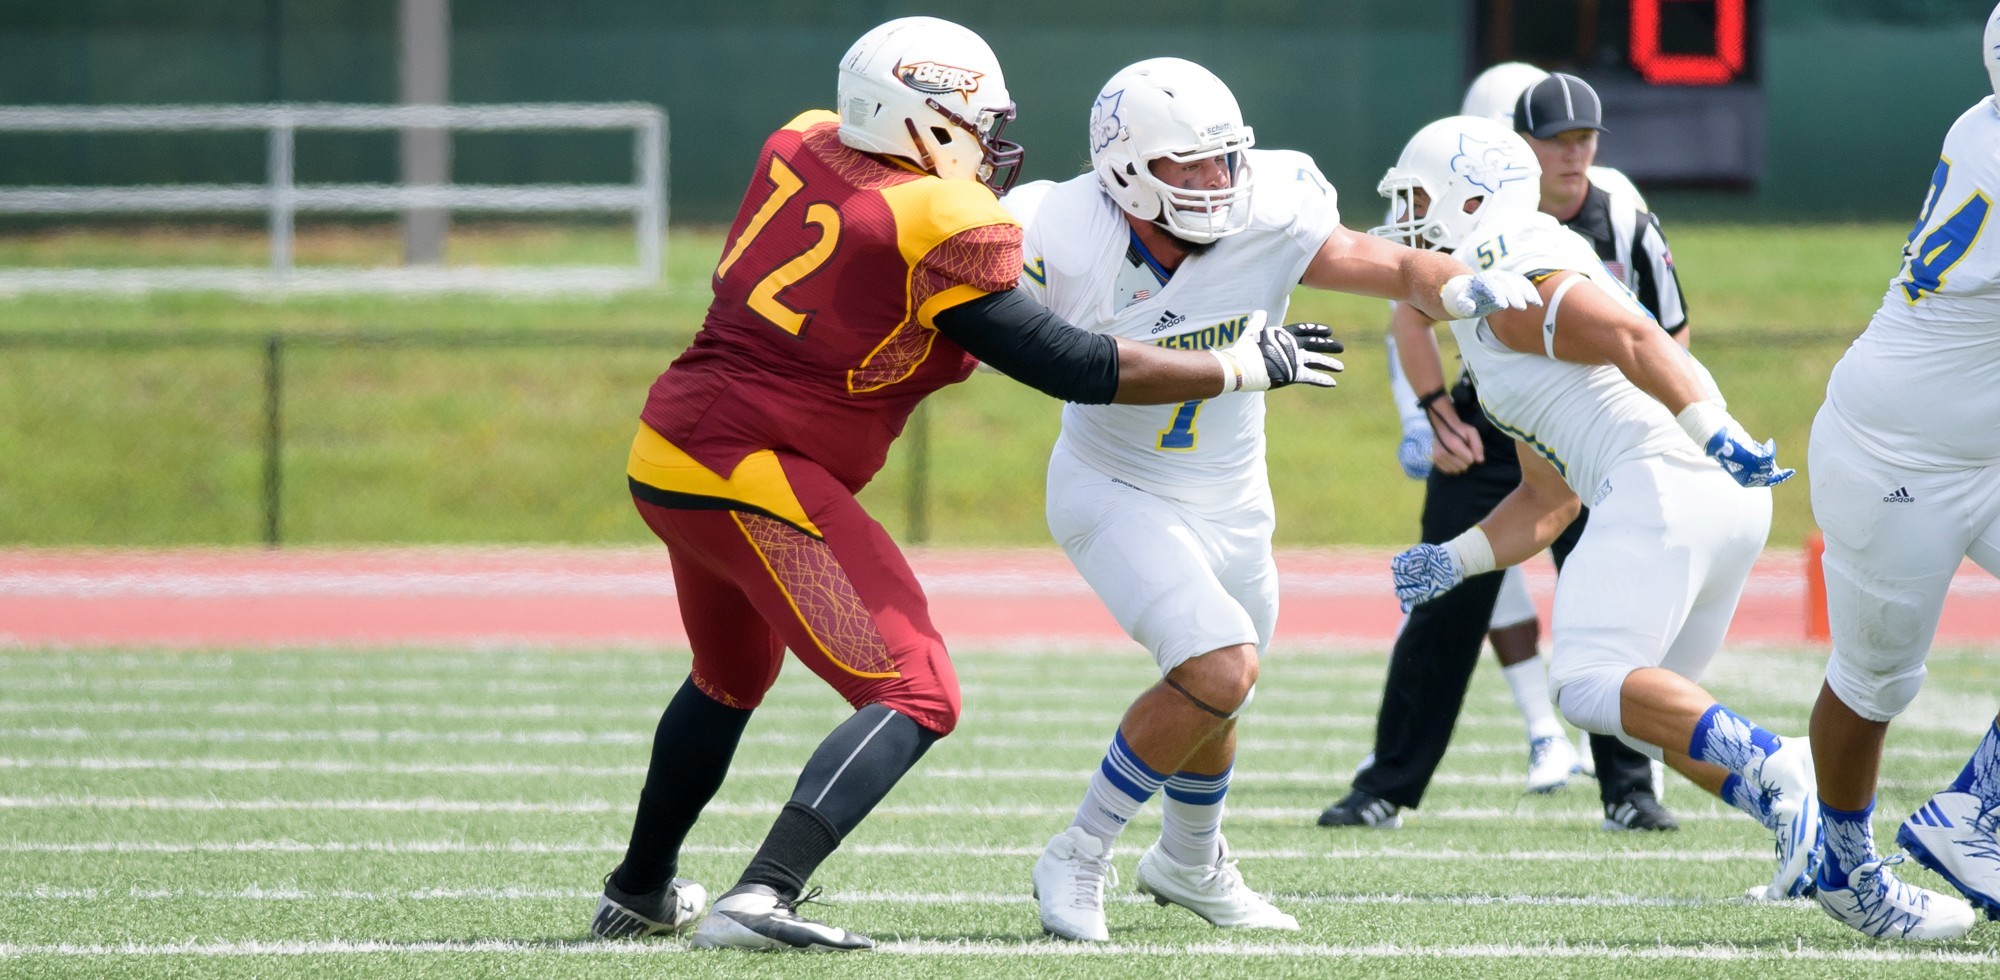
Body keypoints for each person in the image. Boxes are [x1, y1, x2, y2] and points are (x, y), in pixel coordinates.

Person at [587, 17, 1347, 953]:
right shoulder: (943, 219)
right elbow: (1070, 364)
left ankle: (640, 889)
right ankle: (764, 892)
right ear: (920, 122)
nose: (991, 145)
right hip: (753, 467)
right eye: (976, 123)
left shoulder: (803, 136)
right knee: (918, 689)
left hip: (670, 447)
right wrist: (1234, 365)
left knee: (731, 675)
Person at [1007, 58, 1545, 943]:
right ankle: (1080, 851)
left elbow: (1385, 263)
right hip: (1116, 485)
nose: (1218, 182)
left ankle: (1190, 861)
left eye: (1226, 159)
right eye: (1191, 164)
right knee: (1218, 663)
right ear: (1128, 168)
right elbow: (1079, 370)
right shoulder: (1063, 233)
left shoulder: (1271, 203)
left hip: (1233, 494)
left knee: (1220, 686)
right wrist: (1241, 364)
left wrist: (1455, 286)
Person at [1365, 113, 1824, 903]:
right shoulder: (1488, 304)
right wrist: (1456, 559)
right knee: (1658, 717)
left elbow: (1632, 336)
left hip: (1667, 481)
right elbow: (1548, 499)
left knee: (1584, 685)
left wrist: (1717, 432)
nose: (1403, 222)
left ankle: (1794, 767)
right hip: (1694, 496)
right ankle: (1813, 836)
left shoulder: (1507, 271)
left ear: (1470, 203)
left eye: (1416, 201)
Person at [1328, 70, 1690, 829]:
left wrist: (1674, 422)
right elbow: (1411, 308)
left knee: (1606, 603)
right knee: (1443, 599)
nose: (1570, 156)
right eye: (1552, 142)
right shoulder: (1475, 215)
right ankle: (1387, 785)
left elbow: (1662, 329)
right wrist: (1432, 411)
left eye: (1582, 140)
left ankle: (1628, 788)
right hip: (1492, 419)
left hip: (1588, 433)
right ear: (1514, 150)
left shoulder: (1620, 211)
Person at [1798, 6, 2000, 942]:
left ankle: (1974, 815)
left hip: (1978, 449)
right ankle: (1843, 869)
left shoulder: (1979, 118)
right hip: (1898, 459)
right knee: (1874, 685)